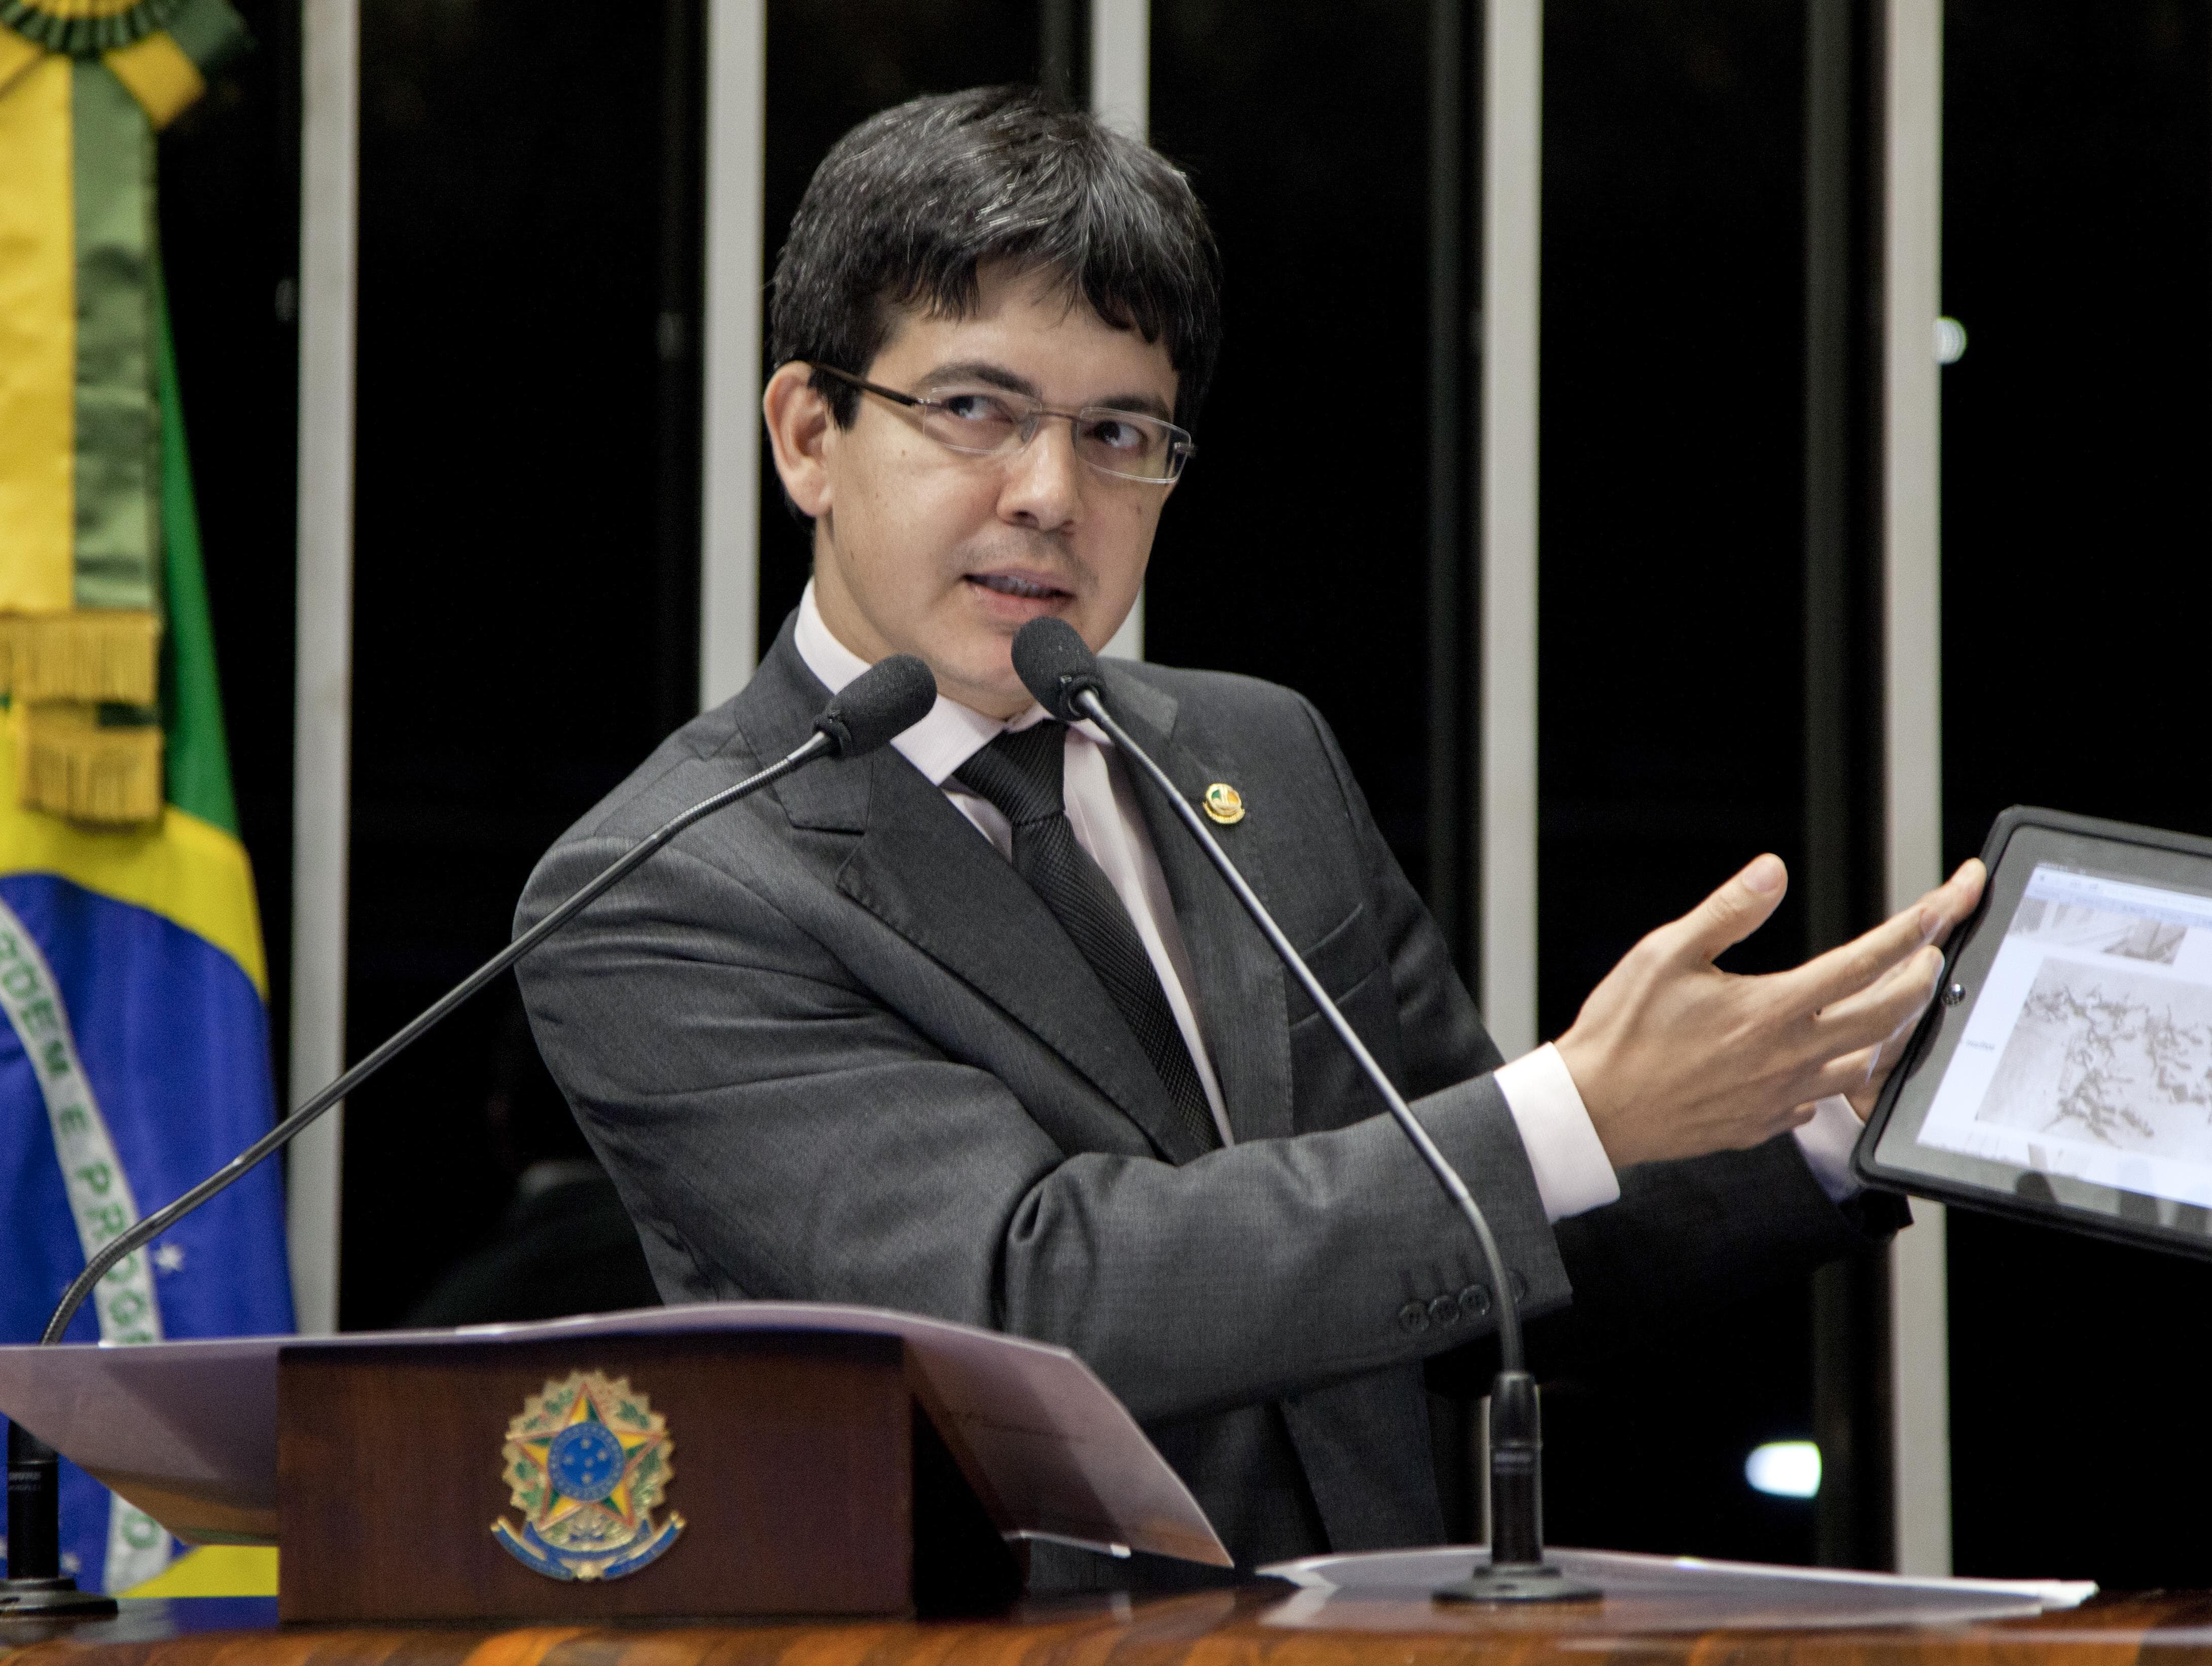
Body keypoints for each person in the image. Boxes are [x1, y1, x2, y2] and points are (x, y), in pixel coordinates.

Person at [514, 85, 1983, 1579]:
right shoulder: (665, 888)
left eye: (1118, 433)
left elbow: (1479, 1242)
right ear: (808, 434)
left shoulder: (1253, 758)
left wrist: (1833, 1110)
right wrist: (1574, 1111)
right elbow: (1025, 1297)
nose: (1049, 494)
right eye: (972, 410)